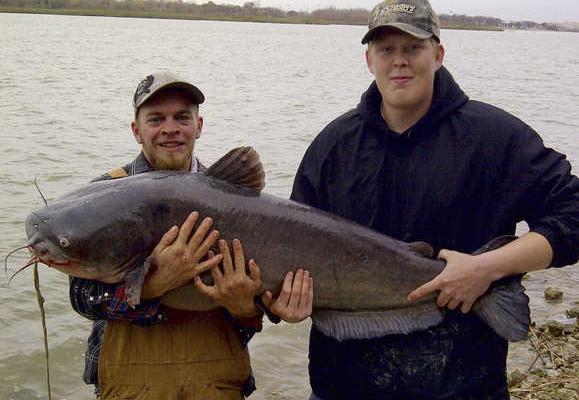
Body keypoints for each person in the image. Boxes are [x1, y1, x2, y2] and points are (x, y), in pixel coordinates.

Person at [291, 1, 579, 399]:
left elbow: (573, 212)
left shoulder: (495, 137)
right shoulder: (333, 146)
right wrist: (284, 301)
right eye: (386, 49)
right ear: (368, 59)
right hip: (342, 384)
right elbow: (295, 247)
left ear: (438, 54)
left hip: (464, 384)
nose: (399, 62)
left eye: (413, 48)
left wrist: (486, 268)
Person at [70, 72, 313, 399]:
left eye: (182, 117)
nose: (170, 128)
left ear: (198, 126)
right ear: (136, 130)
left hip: (217, 386)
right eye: (156, 119)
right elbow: (81, 297)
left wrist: (244, 307)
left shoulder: (236, 196)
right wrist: (154, 283)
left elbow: (250, 324)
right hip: (127, 389)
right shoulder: (102, 196)